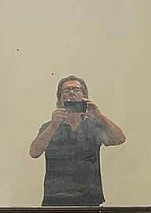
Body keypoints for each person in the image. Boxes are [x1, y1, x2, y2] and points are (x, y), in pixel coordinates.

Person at [28, 75, 126, 206]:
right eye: (66, 90)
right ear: (59, 99)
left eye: (75, 89)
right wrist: (53, 126)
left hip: (89, 197)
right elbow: (34, 152)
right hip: (56, 197)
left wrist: (99, 115)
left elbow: (119, 139)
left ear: (84, 96)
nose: (71, 93)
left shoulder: (93, 125)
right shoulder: (50, 127)